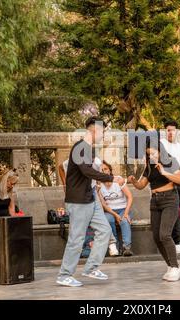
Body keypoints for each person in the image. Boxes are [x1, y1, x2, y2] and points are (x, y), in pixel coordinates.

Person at [56, 117, 125, 287]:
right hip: (79, 200)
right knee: (76, 238)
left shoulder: (89, 149)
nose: (104, 134)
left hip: (91, 197)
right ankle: (65, 274)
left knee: (105, 230)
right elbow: (86, 171)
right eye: (103, 130)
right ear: (95, 130)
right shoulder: (80, 148)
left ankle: (91, 268)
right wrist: (111, 178)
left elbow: (90, 173)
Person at [127, 138, 180, 282]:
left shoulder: (171, 161)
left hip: (170, 199)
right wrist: (133, 181)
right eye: (149, 155)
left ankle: (176, 267)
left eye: (153, 154)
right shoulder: (149, 166)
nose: (151, 157)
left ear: (160, 151)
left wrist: (164, 172)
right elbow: (141, 185)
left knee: (165, 235)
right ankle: (170, 266)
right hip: (155, 201)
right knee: (157, 238)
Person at [59, 157, 120, 256]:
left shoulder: (97, 162)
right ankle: (76, 251)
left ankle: (112, 244)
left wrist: (98, 185)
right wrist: (65, 185)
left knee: (102, 221)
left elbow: (97, 175)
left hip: (91, 193)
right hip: (77, 196)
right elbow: (60, 168)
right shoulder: (74, 160)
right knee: (76, 225)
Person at [160, 120, 180, 254]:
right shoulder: (161, 144)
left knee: (176, 213)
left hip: (178, 183)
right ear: (165, 131)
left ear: (177, 131)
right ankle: (167, 243)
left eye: (173, 130)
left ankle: (177, 242)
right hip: (164, 183)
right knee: (166, 214)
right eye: (168, 130)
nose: (171, 132)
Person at [98, 161, 134, 256]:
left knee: (124, 220)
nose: (104, 171)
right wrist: (115, 215)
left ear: (110, 170)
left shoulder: (118, 180)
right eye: (101, 170)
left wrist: (126, 213)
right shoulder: (99, 185)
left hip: (123, 209)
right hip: (109, 211)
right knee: (107, 219)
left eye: (105, 169)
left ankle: (127, 247)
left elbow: (130, 197)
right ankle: (114, 246)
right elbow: (104, 205)